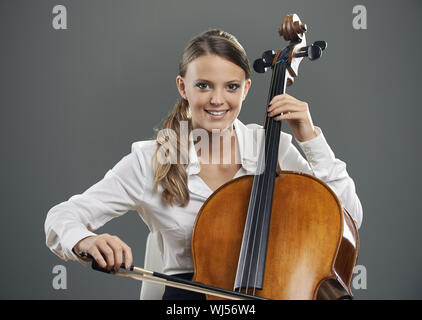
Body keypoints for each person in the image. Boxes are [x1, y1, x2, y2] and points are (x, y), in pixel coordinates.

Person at [44, 29, 363, 300]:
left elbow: (347, 218)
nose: (217, 100)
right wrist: (86, 240)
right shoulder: (153, 158)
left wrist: (311, 139)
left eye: (231, 86)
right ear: (183, 87)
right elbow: (62, 216)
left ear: (246, 89)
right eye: (203, 85)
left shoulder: (271, 147)